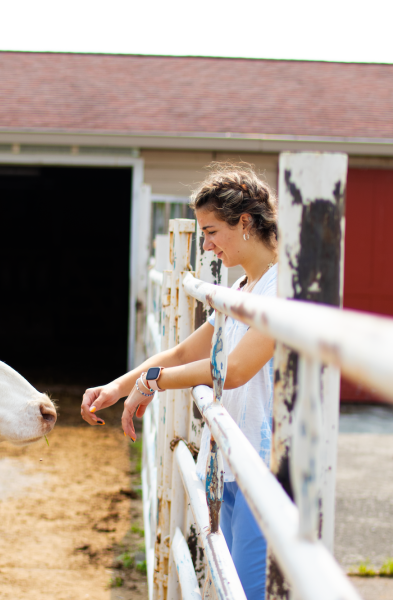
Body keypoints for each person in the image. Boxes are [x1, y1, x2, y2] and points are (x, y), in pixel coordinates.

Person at [81, 163, 278, 600]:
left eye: (211, 232)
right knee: (230, 585)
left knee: (246, 590)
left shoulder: (280, 289)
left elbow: (238, 367)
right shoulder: (242, 287)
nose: (206, 245)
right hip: (230, 459)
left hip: (264, 466)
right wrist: (117, 386)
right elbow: (184, 352)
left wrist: (155, 382)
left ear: (244, 222)